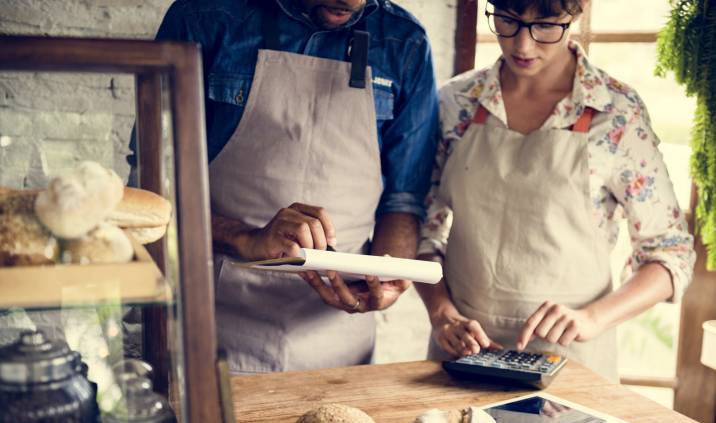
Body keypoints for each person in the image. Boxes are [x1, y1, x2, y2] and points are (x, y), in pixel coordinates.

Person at [148, 0, 438, 373]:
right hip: (215, 329)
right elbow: (155, 188)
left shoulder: (405, 42)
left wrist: (389, 276)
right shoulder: (204, 20)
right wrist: (246, 238)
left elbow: (404, 198)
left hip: (339, 344)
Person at [415, 0, 695, 382]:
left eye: (546, 25)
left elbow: (670, 255)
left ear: (575, 13)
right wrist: (441, 313)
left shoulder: (615, 112)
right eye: (508, 21)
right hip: (463, 354)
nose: (523, 46)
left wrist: (592, 318)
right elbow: (422, 229)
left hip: (571, 362)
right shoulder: (456, 103)